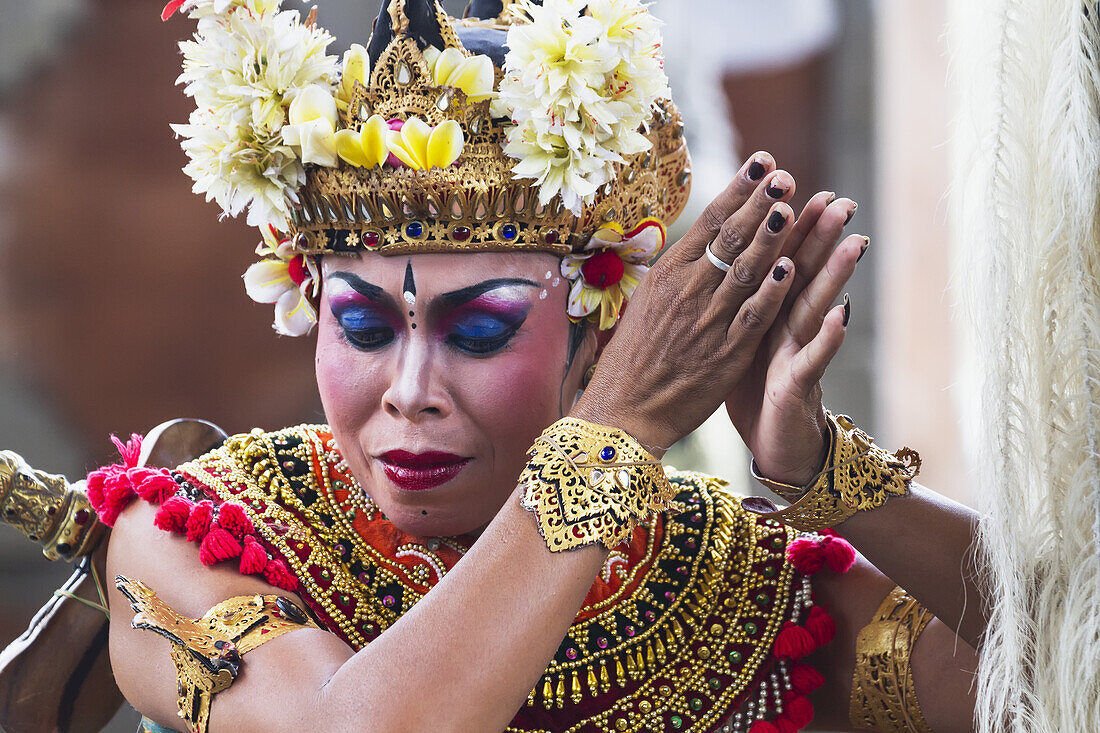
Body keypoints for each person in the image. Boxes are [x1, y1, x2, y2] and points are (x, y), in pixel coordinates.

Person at [1, 1, 981, 731]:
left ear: (601, 332)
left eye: (478, 333)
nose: (410, 388)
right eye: (362, 323)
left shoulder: (733, 583)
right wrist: (608, 436)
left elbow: (1054, 676)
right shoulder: (205, 532)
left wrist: (819, 480)